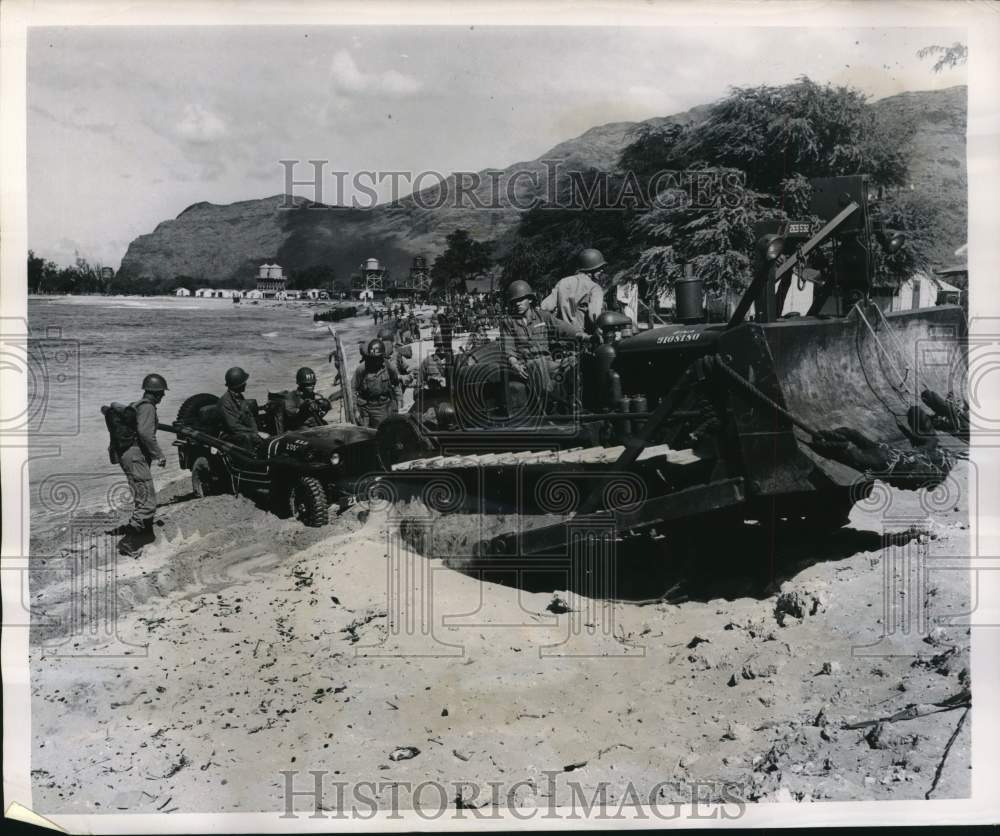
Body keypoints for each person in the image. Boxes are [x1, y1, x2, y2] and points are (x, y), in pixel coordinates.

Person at [501, 280, 581, 413]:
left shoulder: (543, 317)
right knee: (538, 364)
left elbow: (565, 329)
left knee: (572, 361)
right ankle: (551, 404)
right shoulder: (508, 322)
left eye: (521, 300)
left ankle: (573, 402)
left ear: (530, 300)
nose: (517, 303)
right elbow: (509, 348)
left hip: (547, 361)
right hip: (526, 364)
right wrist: (514, 363)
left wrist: (582, 335)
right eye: (514, 301)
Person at [112, 373, 169, 556]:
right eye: (161, 392)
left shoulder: (137, 405)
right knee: (147, 501)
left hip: (129, 455)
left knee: (140, 494)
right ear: (155, 393)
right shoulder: (148, 408)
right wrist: (159, 454)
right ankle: (129, 542)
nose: (163, 396)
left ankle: (143, 531)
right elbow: (145, 434)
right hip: (135, 456)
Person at [539, 247, 607, 334]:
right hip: (584, 337)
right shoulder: (594, 288)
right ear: (591, 269)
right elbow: (594, 316)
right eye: (599, 268)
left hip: (562, 335)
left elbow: (545, 307)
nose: (602, 270)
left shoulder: (563, 282)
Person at [353, 338, 401, 428]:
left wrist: (399, 401)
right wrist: (355, 410)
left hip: (385, 405)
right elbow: (353, 389)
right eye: (373, 358)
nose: (375, 360)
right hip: (367, 407)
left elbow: (396, 384)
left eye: (378, 357)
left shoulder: (389, 366)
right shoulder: (362, 369)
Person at [219, 366, 266, 449]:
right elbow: (233, 426)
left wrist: (257, 432)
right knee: (248, 438)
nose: (245, 384)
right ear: (237, 385)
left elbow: (249, 417)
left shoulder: (239, 397)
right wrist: (256, 433)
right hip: (230, 435)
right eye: (243, 382)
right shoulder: (225, 402)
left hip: (244, 432)